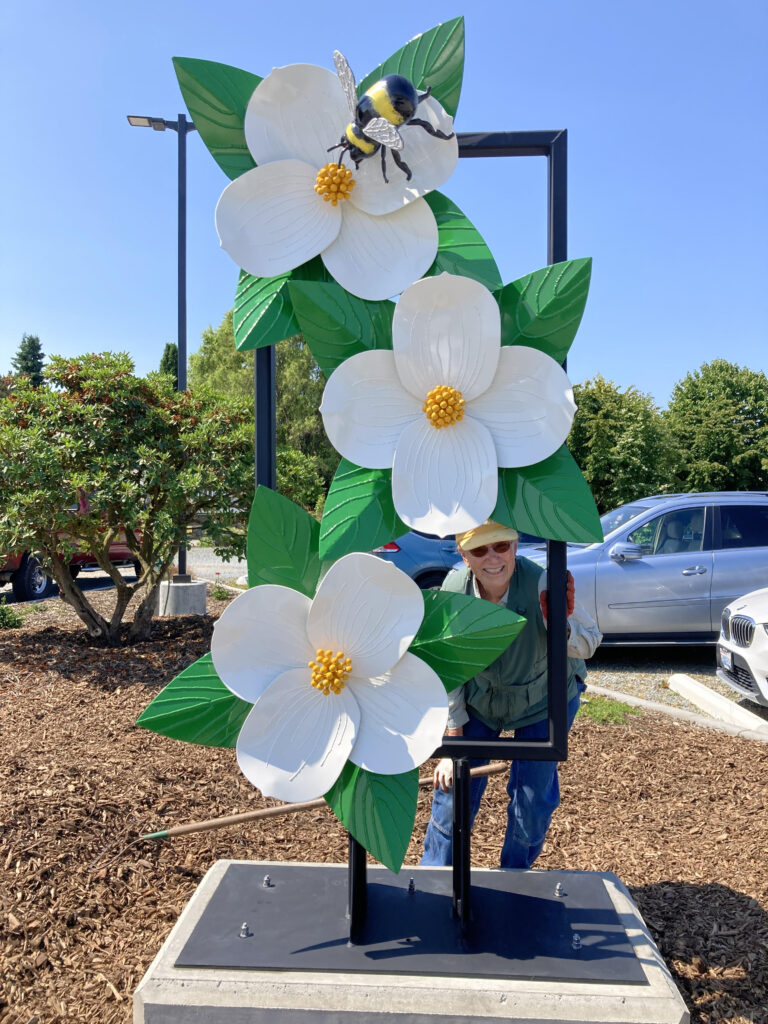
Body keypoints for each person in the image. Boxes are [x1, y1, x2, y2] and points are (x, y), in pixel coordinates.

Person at [421, 520, 601, 869]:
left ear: (515, 545)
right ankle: (435, 878)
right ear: (464, 555)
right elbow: (448, 666)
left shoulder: (543, 582)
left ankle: (514, 877)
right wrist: (451, 743)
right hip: (481, 701)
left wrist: (559, 627)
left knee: (532, 799)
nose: (493, 558)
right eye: (479, 549)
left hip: (543, 699)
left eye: (501, 546)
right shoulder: (454, 590)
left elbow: (591, 642)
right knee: (453, 790)